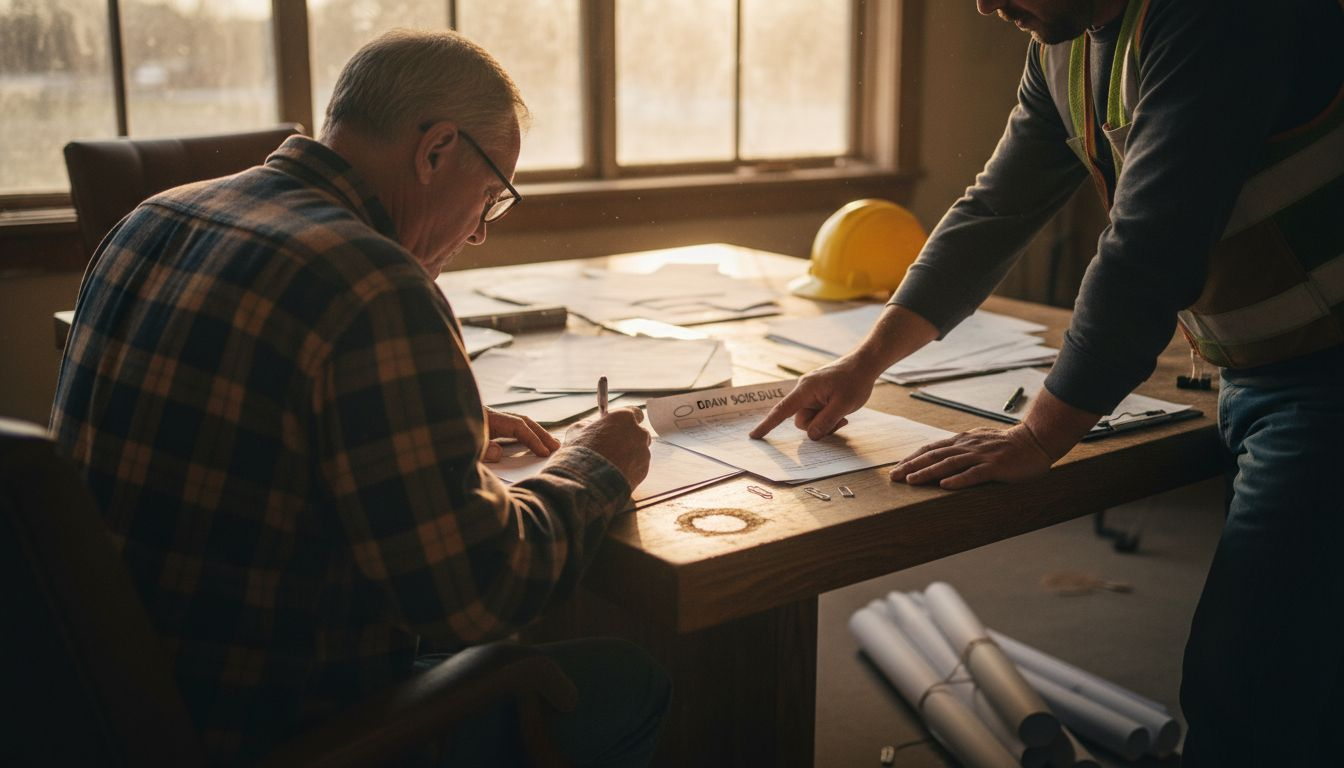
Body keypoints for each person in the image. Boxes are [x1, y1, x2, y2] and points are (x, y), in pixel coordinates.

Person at [50, 29, 667, 767]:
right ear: (436, 150)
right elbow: (478, 593)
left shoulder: (148, 220)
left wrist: (443, 424)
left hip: (100, 704)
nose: (476, 234)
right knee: (633, 683)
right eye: (490, 198)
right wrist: (596, 463)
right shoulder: (375, 284)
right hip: (272, 729)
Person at [752, 0, 1343, 764]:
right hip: (1265, 373)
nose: (985, 4)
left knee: (1250, 688)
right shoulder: (1064, 46)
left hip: (1326, 378)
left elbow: (1147, 248)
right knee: (1308, 671)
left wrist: (1038, 435)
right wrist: (862, 364)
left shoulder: (1211, 16)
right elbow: (993, 211)